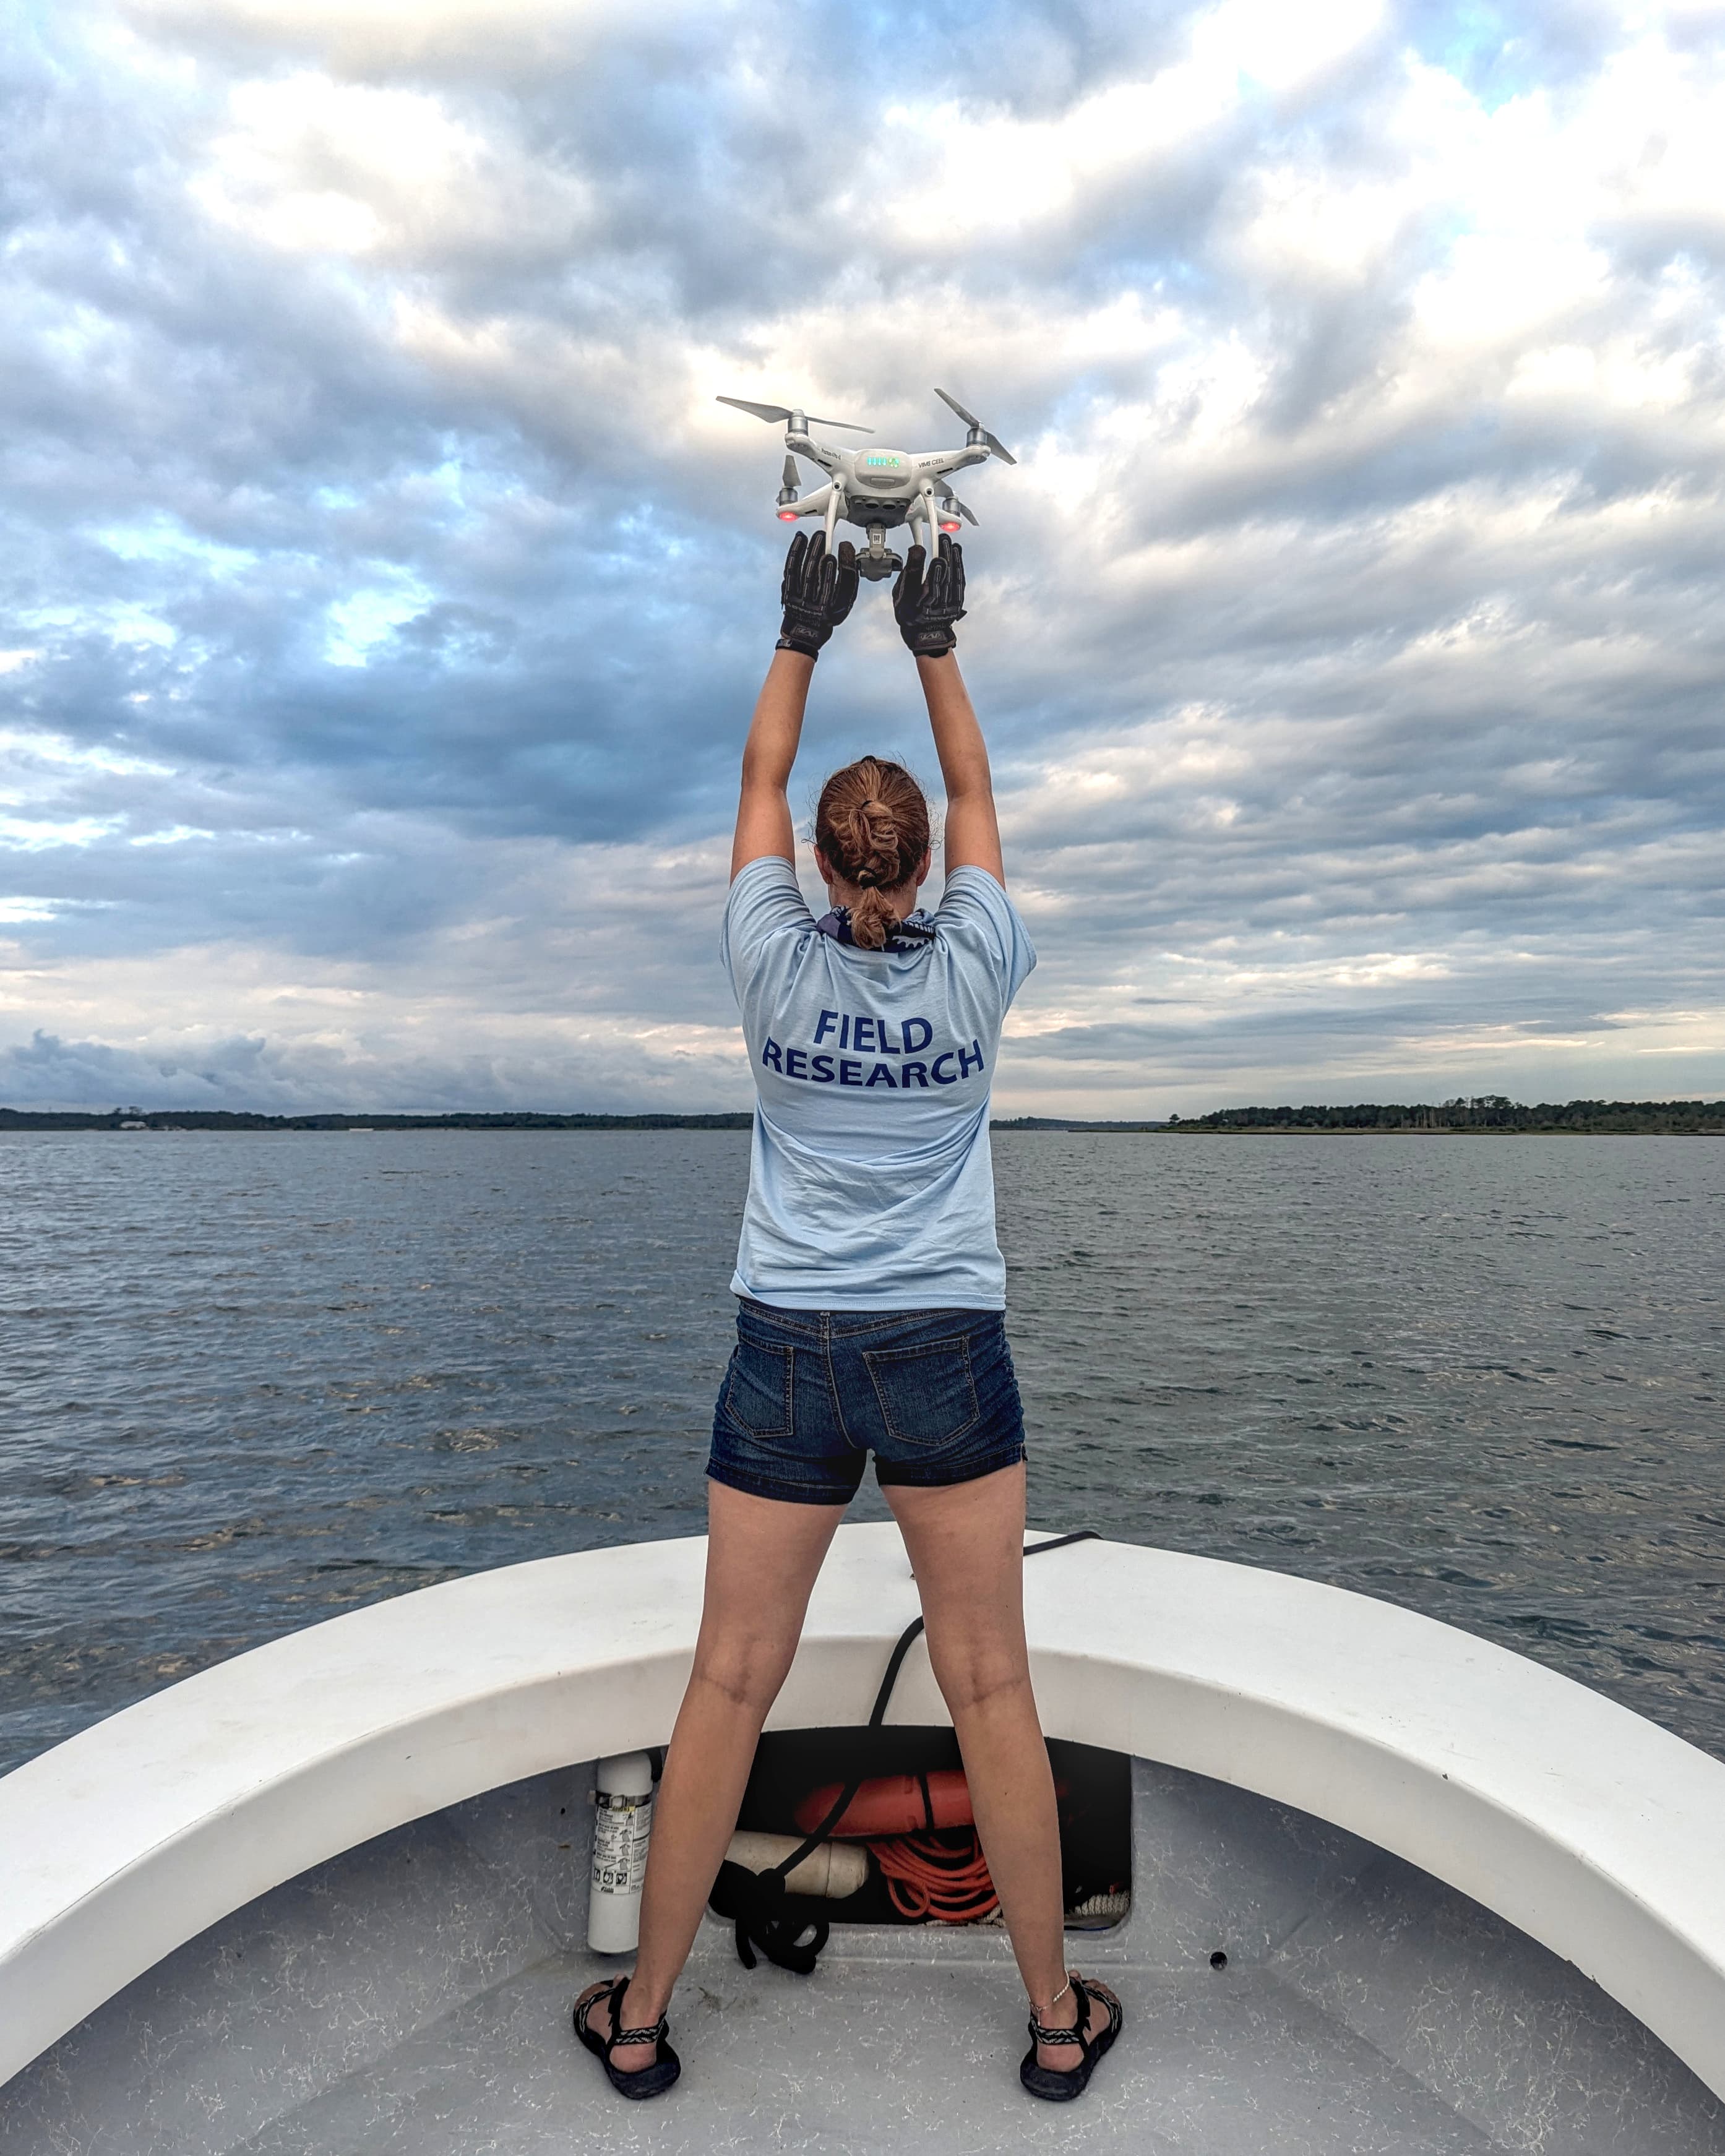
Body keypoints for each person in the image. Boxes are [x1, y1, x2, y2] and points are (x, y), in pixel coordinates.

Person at [574, 530, 1123, 2104]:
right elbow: (978, 806)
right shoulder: (981, 965)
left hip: (785, 1357)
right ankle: (1048, 2025)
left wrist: (798, 635)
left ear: (818, 863)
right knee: (994, 1691)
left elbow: (758, 777)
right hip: (945, 1347)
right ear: (916, 865)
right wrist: (935, 642)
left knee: (726, 1685)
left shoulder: (763, 960)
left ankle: (641, 2020)